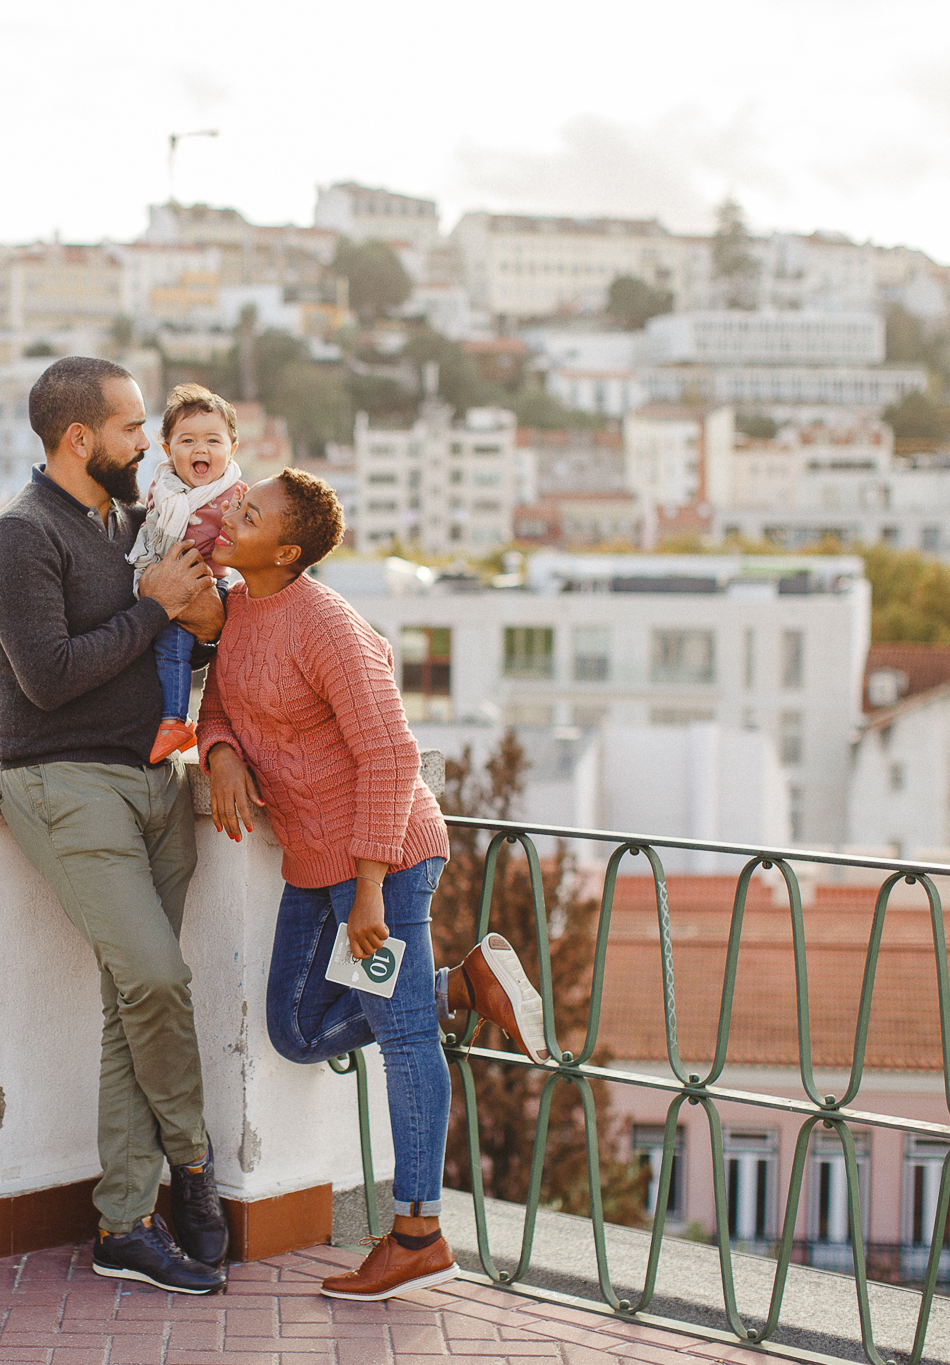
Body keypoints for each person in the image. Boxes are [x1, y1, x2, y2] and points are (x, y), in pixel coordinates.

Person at [199, 468, 551, 1302]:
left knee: (403, 1042)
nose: (229, 515)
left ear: (286, 551)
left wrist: (369, 890)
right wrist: (217, 752)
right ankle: (459, 984)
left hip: (384, 860)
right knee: (293, 1024)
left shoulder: (328, 626)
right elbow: (218, 703)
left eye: (248, 514)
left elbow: (392, 756)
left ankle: (419, 1232)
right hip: (313, 859)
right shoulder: (243, 607)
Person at [0, 356, 230, 1295]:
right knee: (157, 977)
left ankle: (126, 1221)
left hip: (158, 780)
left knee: (135, 997)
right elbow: (47, 675)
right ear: (80, 439)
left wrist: (193, 619)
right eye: (131, 429)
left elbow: (175, 647)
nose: (148, 444)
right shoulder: (18, 536)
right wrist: (151, 600)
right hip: (65, 781)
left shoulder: (132, 523)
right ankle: (193, 1168)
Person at [125, 383, 249, 763]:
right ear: (167, 450)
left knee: (208, 648)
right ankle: (174, 720)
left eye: (213, 441)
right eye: (187, 440)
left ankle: (181, 720)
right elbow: (148, 531)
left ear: (232, 448)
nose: (201, 450)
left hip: (215, 584)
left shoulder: (236, 494)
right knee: (170, 640)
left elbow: (246, 546)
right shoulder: (161, 489)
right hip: (171, 580)